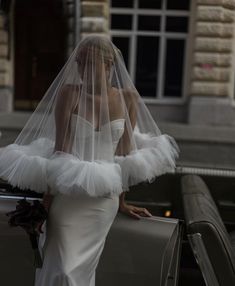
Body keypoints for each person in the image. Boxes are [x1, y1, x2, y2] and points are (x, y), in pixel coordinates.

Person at [0, 35, 179, 286]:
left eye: (90, 64)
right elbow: (60, 152)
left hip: (103, 202)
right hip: (67, 197)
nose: (82, 70)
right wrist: (44, 206)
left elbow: (125, 157)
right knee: (62, 268)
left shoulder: (129, 98)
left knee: (79, 271)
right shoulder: (69, 93)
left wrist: (123, 202)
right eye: (80, 63)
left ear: (109, 65)